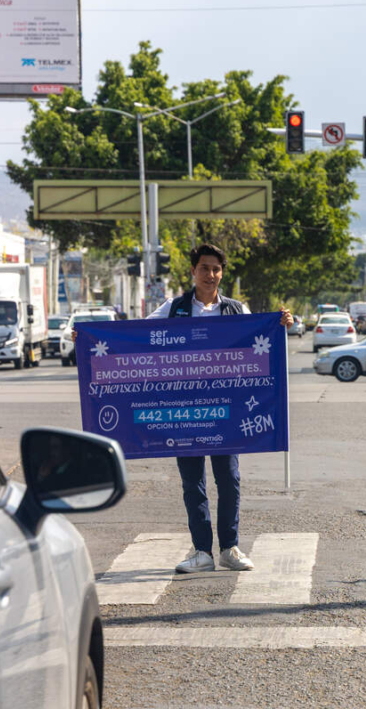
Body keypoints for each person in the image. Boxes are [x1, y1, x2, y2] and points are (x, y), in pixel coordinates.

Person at [148, 243, 293, 574]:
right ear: (193, 272)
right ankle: (202, 552)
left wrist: (281, 322)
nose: (210, 275)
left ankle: (229, 548)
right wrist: (86, 336)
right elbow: (136, 335)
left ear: (221, 273)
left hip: (226, 414)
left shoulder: (235, 310)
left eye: (215, 269)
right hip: (185, 413)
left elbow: (260, 339)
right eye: (204, 268)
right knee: (192, 483)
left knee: (229, 479)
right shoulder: (174, 308)